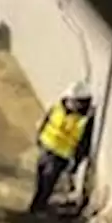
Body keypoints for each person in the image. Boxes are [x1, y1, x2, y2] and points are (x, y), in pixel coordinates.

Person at [28, 80, 95, 214]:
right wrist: (39, 138)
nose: (72, 104)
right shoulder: (58, 107)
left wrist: (75, 163)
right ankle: (35, 207)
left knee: (47, 183)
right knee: (40, 180)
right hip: (45, 149)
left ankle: (37, 209)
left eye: (76, 102)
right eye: (71, 100)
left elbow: (83, 144)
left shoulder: (84, 120)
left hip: (60, 156)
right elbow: (47, 121)